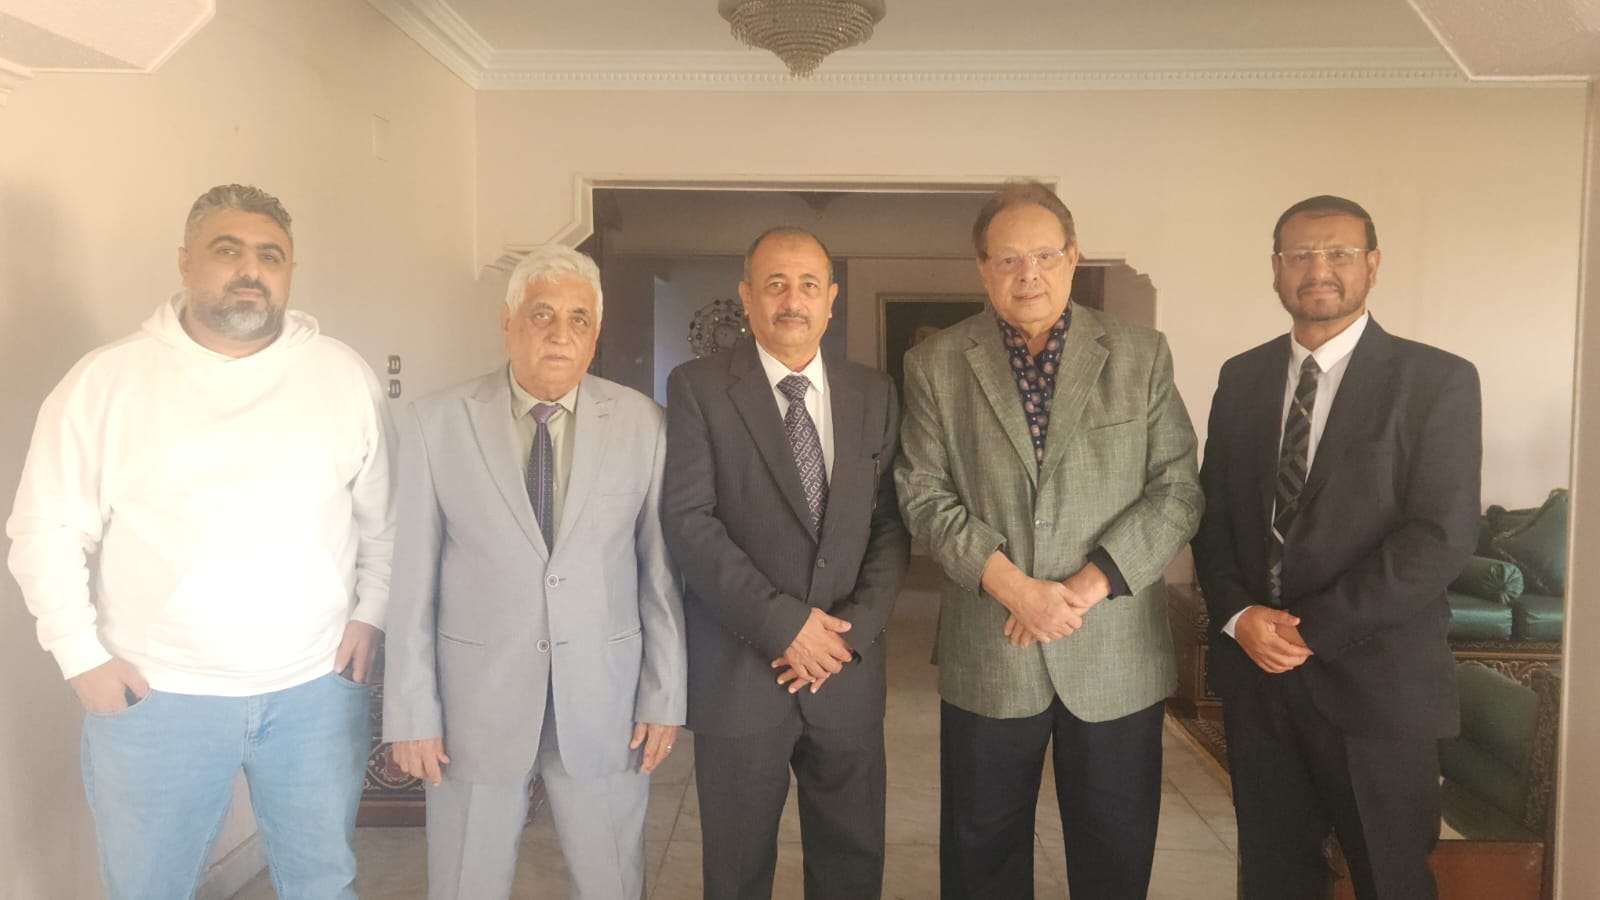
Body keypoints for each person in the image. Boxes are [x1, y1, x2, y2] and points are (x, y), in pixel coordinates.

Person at [6, 183, 394, 899]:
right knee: (148, 888)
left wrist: (372, 612)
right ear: (185, 261)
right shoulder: (107, 382)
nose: (250, 270)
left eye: (271, 255)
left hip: (313, 691)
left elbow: (384, 516)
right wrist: (81, 657)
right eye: (228, 249)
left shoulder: (342, 376)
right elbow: (44, 529)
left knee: (323, 883)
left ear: (290, 271)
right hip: (158, 698)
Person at [895, 181, 1203, 899]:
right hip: (992, 647)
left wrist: (1084, 588)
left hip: (1114, 649)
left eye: (1043, 255)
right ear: (982, 268)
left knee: (1114, 850)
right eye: (1007, 259)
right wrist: (1015, 588)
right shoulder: (936, 363)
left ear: (1073, 256)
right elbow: (922, 494)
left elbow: (1178, 490)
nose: (1027, 273)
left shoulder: (1140, 354)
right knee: (981, 852)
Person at [1192, 195, 1481, 899]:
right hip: (1260, 685)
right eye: (1300, 254)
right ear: (1276, 268)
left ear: (1372, 265)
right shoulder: (1242, 377)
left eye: (1339, 253)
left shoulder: (1436, 380)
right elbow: (1213, 516)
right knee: (1273, 879)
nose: (1318, 269)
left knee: (1390, 880)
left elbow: (1440, 536)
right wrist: (1238, 616)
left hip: (1378, 689)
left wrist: (1309, 629)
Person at [382, 244, 685, 900]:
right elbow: (412, 583)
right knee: (466, 881)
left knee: (612, 880)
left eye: (579, 319)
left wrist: (664, 696)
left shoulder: (643, 423)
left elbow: (658, 575)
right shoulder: (437, 424)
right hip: (474, 704)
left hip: (603, 699)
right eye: (542, 314)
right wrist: (410, 710)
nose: (560, 333)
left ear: (596, 335)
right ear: (508, 322)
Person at [662, 226, 910, 899]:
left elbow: (891, 526)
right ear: (747, 297)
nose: (792, 300)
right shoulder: (697, 388)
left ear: (832, 299)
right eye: (775, 284)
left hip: (846, 673)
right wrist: (785, 626)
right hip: (742, 678)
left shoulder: (875, 394)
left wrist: (847, 634)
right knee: (737, 872)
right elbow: (689, 523)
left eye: (807, 285)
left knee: (852, 865)